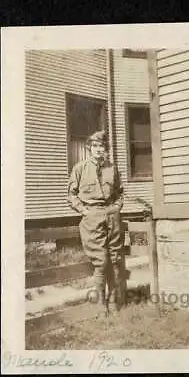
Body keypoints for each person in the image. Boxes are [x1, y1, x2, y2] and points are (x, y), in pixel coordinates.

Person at [67, 130, 125, 317]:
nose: (99, 149)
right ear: (89, 149)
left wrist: (116, 207)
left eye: (102, 146)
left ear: (106, 149)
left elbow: (120, 192)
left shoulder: (113, 168)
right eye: (95, 146)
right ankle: (100, 304)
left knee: (115, 258)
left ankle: (114, 301)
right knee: (101, 261)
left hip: (111, 215)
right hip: (92, 216)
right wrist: (83, 211)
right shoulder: (80, 168)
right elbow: (71, 194)